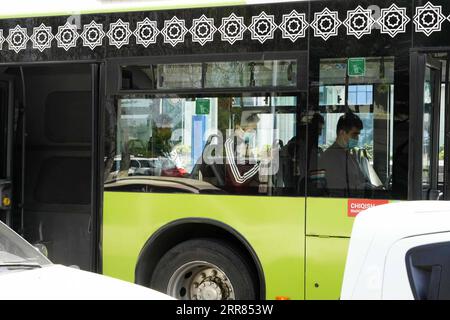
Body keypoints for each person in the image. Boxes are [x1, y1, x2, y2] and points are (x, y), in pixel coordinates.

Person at [317, 112, 370, 197]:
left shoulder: (350, 155)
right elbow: (338, 190)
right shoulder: (330, 158)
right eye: (354, 134)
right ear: (342, 133)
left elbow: (360, 180)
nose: (357, 138)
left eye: (358, 134)